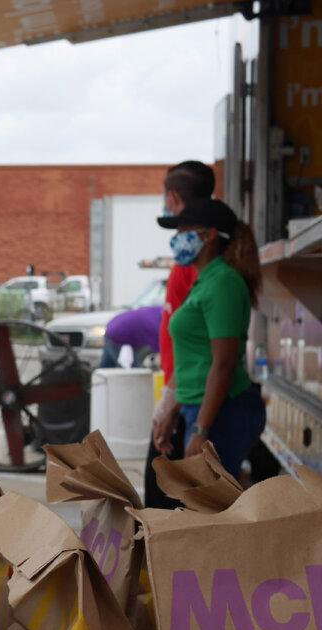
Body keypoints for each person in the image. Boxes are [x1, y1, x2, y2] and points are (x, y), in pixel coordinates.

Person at [153, 199, 266, 479]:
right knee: (202, 498)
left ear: (209, 235)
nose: (177, 239)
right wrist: (172, 408)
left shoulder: (223, 283)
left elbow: (224, 363)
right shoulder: (205, 280)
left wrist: (201, 430)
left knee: (210, 501)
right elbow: (194, 357)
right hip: (202, 409)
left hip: (221, 413)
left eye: (183, 232)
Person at [145, 160, 214, 508]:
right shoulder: (194, 258)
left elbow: (204, 343)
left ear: (172, 197)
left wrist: (170, 403)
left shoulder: (199, 262)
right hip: (183, 392)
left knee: (163, 501)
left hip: (188, 396)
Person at [99, 305, 161, 369]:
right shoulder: (156, 325)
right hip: (117, 332)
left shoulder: (158, 312)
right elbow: (160, 348)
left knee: (106, 366)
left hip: (113, 326)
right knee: (134, 369)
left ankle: (100, 374)